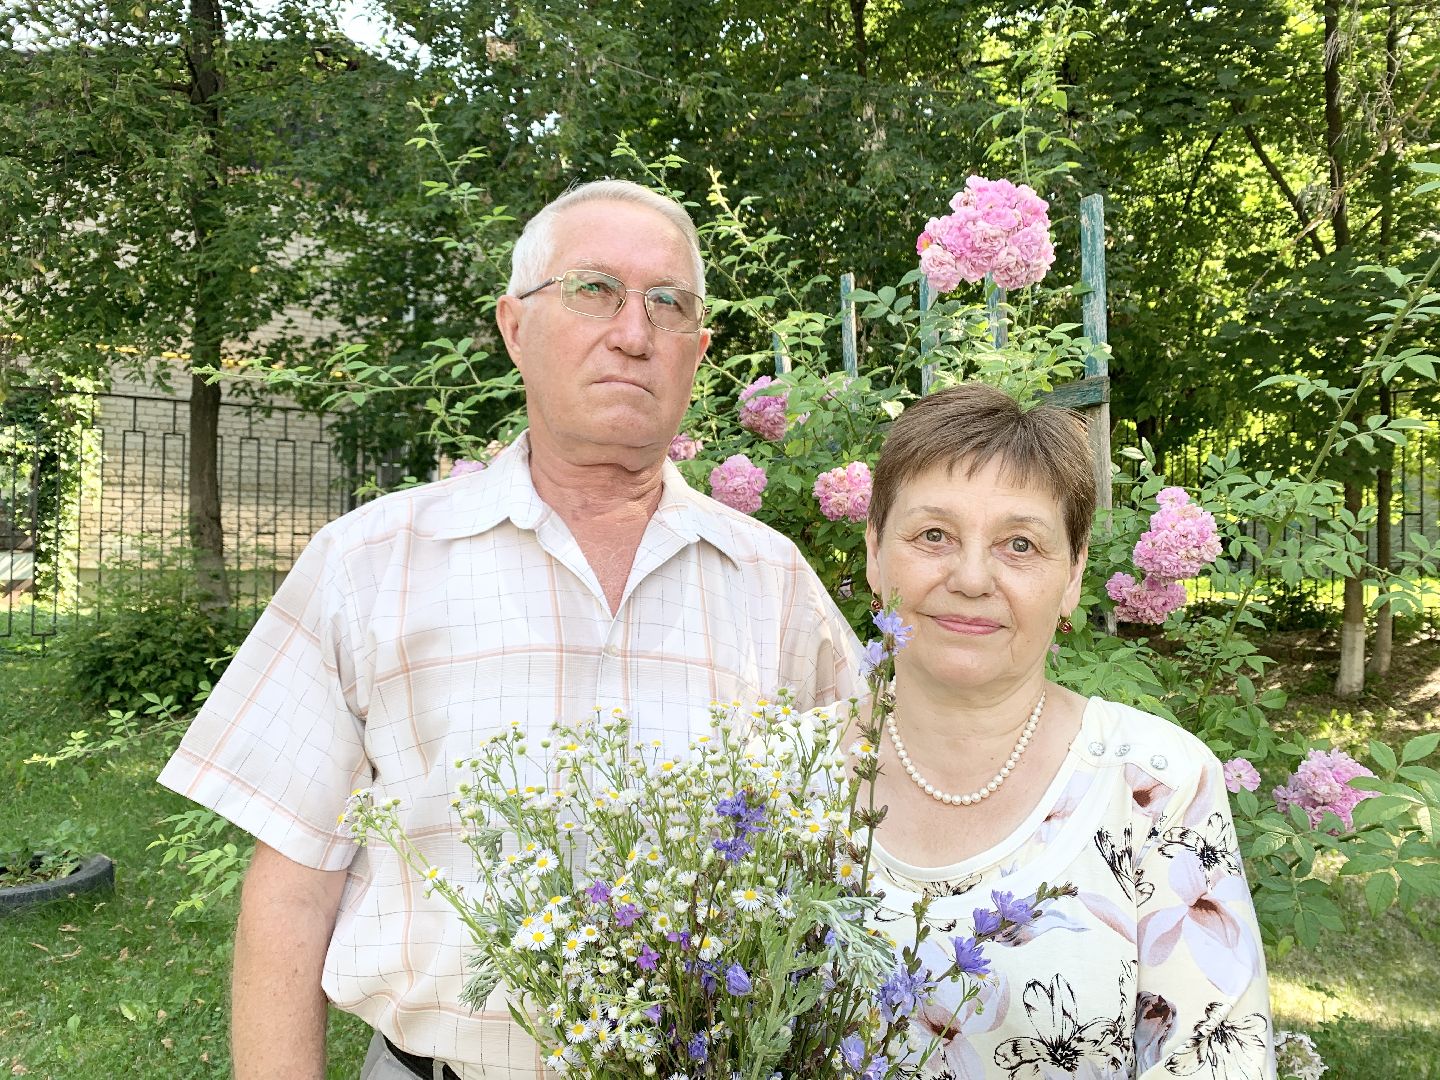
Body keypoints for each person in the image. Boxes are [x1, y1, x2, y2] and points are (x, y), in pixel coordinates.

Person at [158, 179, 863, 1080]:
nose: (633, 332)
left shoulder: (772, 583)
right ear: (513, 327)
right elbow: (292, 895)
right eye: (593, 290)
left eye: (667, 305)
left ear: (699, 350)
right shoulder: (371, 563)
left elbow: (858, 850)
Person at [855, 383, 1274, 1079]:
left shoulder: (1158, 787)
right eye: (933, 535)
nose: (970, 577)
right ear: (874, 552)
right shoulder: (775, 772)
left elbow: (1214, 1059)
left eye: (1020, 544)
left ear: (1075, 574)